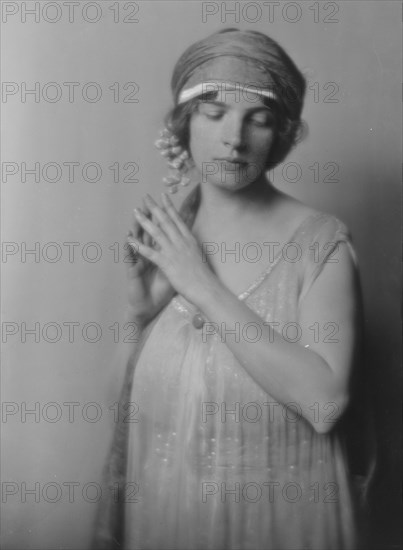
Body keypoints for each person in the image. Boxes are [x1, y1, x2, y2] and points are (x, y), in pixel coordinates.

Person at [92, 28, 371, 550]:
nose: (234, 138)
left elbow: (326, 402)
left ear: (282, 133)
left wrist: (200, 285)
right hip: (169, 510)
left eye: (258, 119)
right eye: (213, 113)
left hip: (278, 512)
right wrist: (137, 314)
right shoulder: (171, 233)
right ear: (184, 124)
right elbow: (125, 417)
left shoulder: (319, 242)